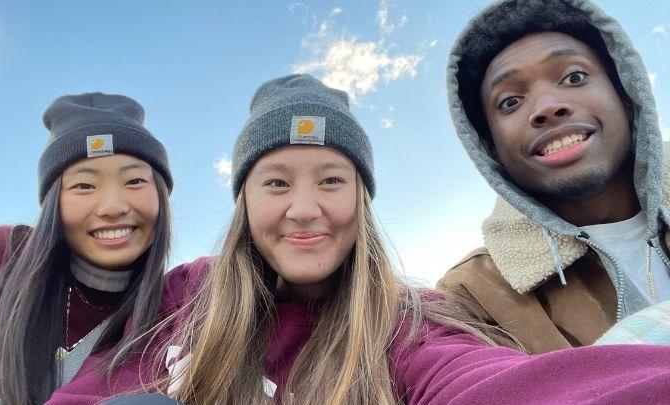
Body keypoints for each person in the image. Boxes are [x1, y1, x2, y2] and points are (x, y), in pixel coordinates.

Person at [49, 75, 670, 405]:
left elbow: (489, 384)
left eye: (331, 179)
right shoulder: (184, 296)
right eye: (275, 182)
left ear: (361, 199)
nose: (304, 209)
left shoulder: (409, 320)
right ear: (243, 202)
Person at [437, 0, 670, 354]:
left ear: (626, 96)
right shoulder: (471, 298)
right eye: (510, 101)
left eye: (574, 77)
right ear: (491, 148)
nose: (547, 106)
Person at [0, 93, 173, 404]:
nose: (112, 207)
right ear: (54, 201)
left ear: (161, 195)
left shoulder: (171, 315)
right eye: (84, 185)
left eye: (134, 181)